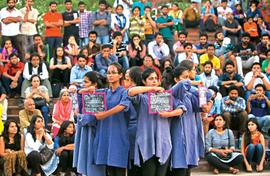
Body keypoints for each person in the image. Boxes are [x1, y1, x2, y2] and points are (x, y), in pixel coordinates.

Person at [128, 68, 185, 176]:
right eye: (151, 79)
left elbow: (181, 108)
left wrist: (168, 114)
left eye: (156, 79)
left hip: (163, 141)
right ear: (144, 81)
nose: (154, 81)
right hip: (146, 141)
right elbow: (131, 92)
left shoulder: (167, 96)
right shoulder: (142, 98)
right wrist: (152, 88)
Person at [91, 63, 136, 176]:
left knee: (119, 169)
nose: (110, 75)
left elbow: (122, 106)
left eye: (113, 73)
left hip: (119, 135)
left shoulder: (125, 92)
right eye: (108, 73)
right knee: (109, 170)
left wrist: (104, 114)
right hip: (105, 135)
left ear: (120, 75)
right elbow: (87, 98)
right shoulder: (104, 92)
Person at [73, 71, 106, 176]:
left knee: (92, 162)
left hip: (94, 132)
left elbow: (89, 119)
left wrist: (78, 116)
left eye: (86, 82)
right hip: (85, 131)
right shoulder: (86, 94)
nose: (83, 84)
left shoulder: (97, 96)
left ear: (94, 84)